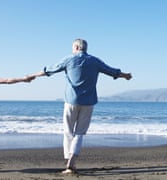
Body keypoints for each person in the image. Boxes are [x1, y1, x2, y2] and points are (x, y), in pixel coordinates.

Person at [32, 39, 132, 174]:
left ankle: (68, 159)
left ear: (77, 47)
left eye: (73, 47)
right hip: (88, 102)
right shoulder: (95, 61)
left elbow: (50, 70)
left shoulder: (69, 59)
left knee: (68, 131)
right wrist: (125, 75)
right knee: (79, 133)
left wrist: (32, 75)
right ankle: (72, 160)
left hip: (71, 101)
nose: (72, 49)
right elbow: (111, 71)